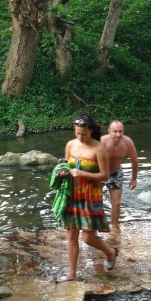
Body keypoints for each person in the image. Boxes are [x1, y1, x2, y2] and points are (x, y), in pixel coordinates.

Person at [57, 115, 118, 282]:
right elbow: (64, 164)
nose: (80, 137)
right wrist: (61, 170)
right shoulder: (70, 145)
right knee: (71, 235)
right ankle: (71, 274)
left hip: (90, 196)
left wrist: (83, 173)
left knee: (88, 237)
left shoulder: (99, 149)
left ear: (91, 131)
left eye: (83, 134)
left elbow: (105, 175)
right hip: (72, 194)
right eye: (77, 133)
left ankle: (110, 253)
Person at [100, 119, 138, 230]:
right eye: (115, 131)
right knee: (95, 201)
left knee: (116, 204)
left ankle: (115, 226)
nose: (118, 134)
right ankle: (96, 224)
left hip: (115, 174)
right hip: (100, 174)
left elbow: (134, 161)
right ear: (109, 131)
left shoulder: (127, 142)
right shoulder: (101, 141)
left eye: (121, 131)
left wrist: (134, 179)